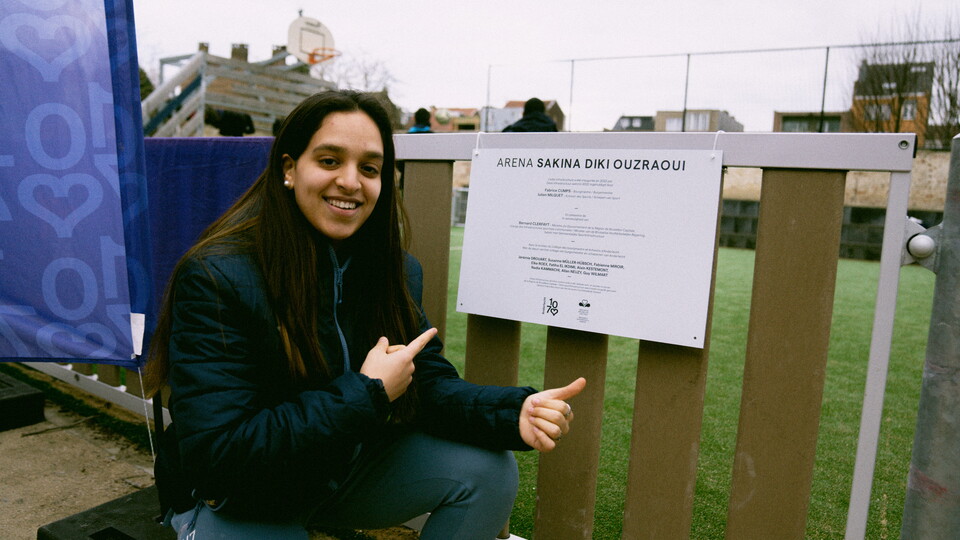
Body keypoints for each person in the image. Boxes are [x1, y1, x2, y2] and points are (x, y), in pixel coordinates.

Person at [144, 89, 585, 540]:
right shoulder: (217, 275)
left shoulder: (393, 269)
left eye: (370, 168)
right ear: (289, 169)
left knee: (489, 470)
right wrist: (367, 393)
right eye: (330, 161)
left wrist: (510, 411)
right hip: (238, 495)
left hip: (336, 472)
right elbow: (219, 455)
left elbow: (426, 383)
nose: (351, 182)